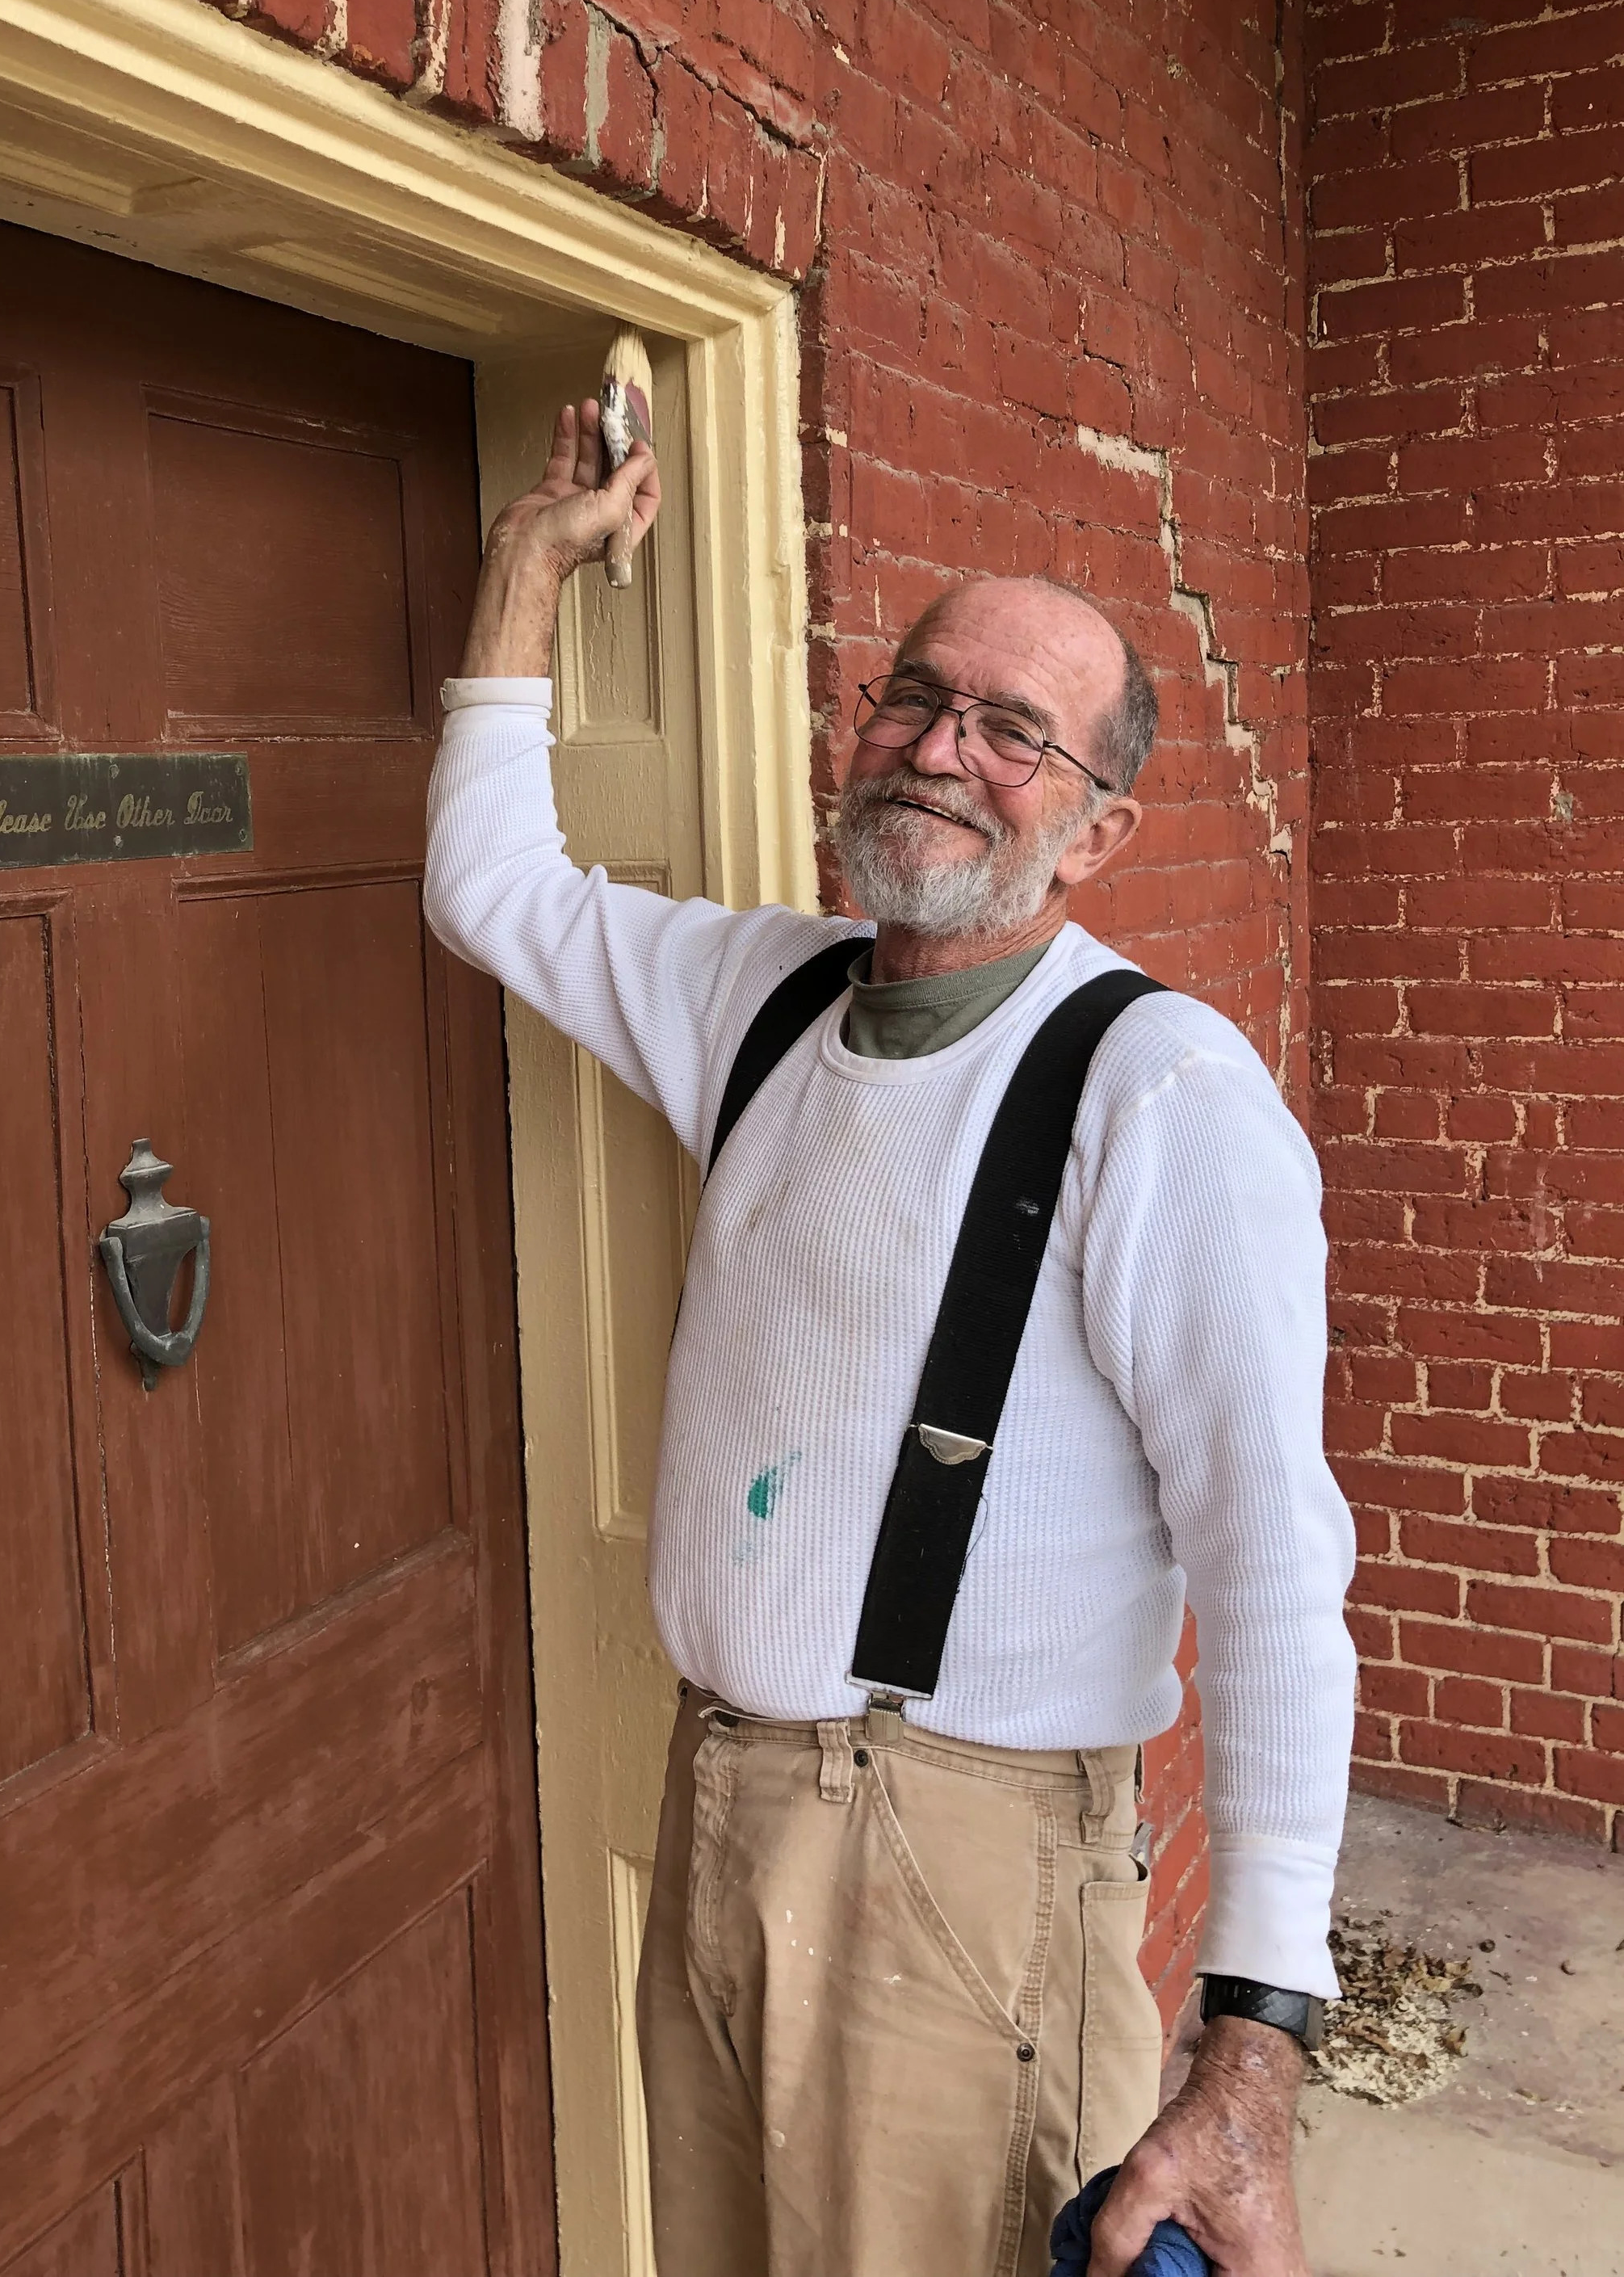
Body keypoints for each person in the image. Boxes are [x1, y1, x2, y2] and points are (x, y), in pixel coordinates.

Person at [423, 401, 1356, 2277]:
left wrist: (1250, 2043)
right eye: (914, 700)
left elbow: (1270, 1569)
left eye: (1015, 734)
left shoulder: (1157, 1089)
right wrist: (529, 563)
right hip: (717, 1809)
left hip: (957, 1876)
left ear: (1095, 828)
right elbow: (489, 888)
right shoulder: (763, 995)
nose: (940, 751)